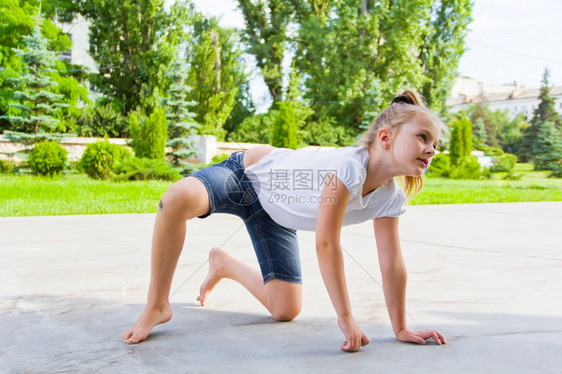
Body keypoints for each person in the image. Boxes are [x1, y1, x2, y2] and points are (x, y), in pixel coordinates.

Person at [122, 90, 447, 352]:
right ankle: (157, 305)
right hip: (245, 177)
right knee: (174, 200)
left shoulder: (390, 197)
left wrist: (400, 326)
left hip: (276, 216)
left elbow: (391, 264)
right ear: (386, 137)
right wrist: (346, 317)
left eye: (434, 143)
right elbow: (325, 242)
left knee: (285, 309)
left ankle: (223, 265)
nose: (431, 149)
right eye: (422, 137)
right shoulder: (349, 166)